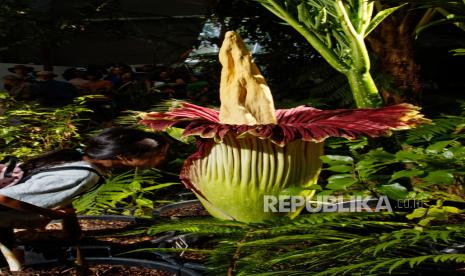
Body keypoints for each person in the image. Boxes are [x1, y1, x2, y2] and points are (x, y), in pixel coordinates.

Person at [0, 127, 169, 265]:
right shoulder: (83, 175)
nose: (161, 159)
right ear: (123, 157)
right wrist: (54, 215)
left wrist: (73, 229)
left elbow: (62, 198)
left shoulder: (76, 159)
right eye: (157, 155)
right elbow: (3, 198)